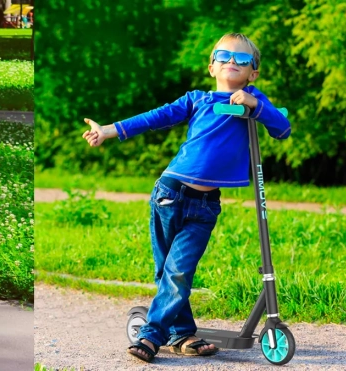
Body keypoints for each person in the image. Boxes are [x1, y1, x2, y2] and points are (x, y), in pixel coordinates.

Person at [82, 33, 291, 362]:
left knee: (179, 271)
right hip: (170, 192)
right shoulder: (197, 100)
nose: (231, 63)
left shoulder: (253, 101)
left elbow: (282, 128)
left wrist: (257, 105)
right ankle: (175, 334)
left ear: (253, 73)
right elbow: (156, 117)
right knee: (168, 270)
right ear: (211, 67)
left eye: (241, 59)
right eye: (223, 56)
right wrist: (109, 130)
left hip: (205, 206)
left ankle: (155, 333)